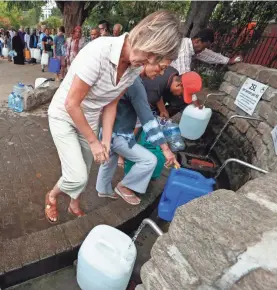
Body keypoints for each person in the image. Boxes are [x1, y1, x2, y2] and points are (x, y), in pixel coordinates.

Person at [46, 10, 183, 223]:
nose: (159, 73)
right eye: (162, 67)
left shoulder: (134, 69)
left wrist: (106, 140)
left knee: (87, 167)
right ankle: (52, 196)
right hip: (64, 116)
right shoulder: (99, 52)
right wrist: (94, 141)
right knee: (78, 174)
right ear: (153, 51)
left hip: (89, 118)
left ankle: (73, 203)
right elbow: (71, 104)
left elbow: (111, 103)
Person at [96, 62, 180, 205]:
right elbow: (147, 117)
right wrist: (165, 149)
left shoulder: (130, 76)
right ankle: (125, 186)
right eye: (161, 67)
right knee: (149, 160)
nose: (160, 73)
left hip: (107, 132)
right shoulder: (135, 83)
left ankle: (103, 189)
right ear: (149, 59)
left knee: (109, 162)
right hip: (118, 135)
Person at [170, 28, 242, 113]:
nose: (203, 50)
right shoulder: (183, 52)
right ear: (197, 41)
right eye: (204, 47)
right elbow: (186, 81)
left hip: (170, 76)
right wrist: (195, 102)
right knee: (181, 101)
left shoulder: (192, 45)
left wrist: (228, 60)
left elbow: (209, 55)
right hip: (163, 79)